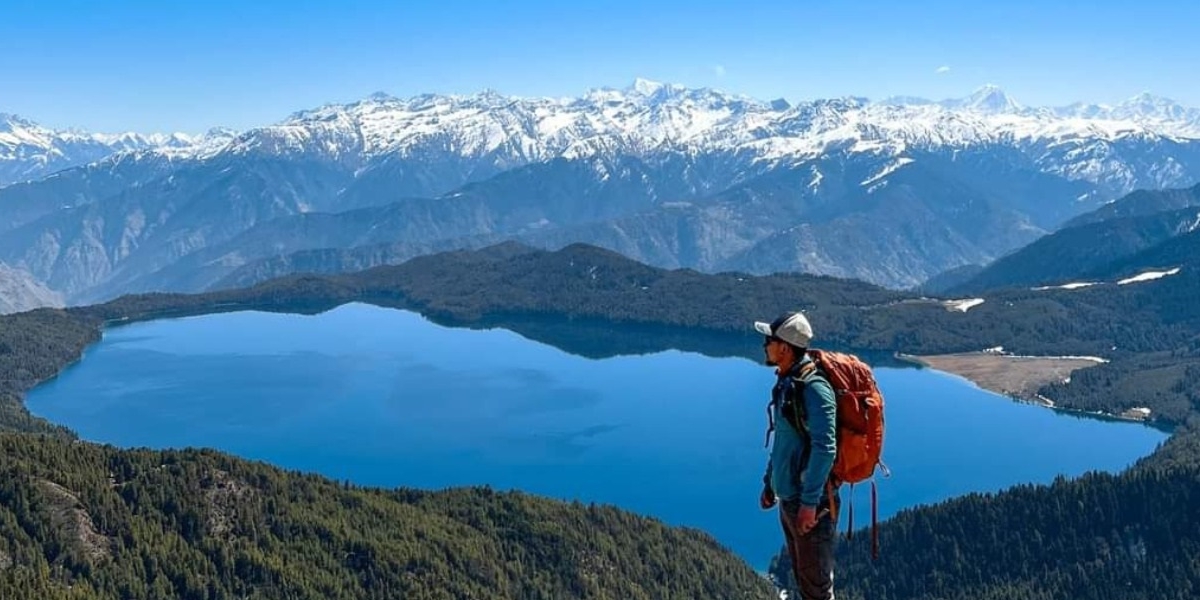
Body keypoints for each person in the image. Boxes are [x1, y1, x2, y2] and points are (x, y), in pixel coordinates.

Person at [755, 311, 839, 600]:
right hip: (790, 499)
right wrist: (770, 484)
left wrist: (810, 503)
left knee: (816, 589)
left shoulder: (814, 388)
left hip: (810, 507)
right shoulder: (788, 383)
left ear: (785, 348)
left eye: (769, 340)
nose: (765, 345)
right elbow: (784, 441)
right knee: (807, 582)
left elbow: (826, 447)